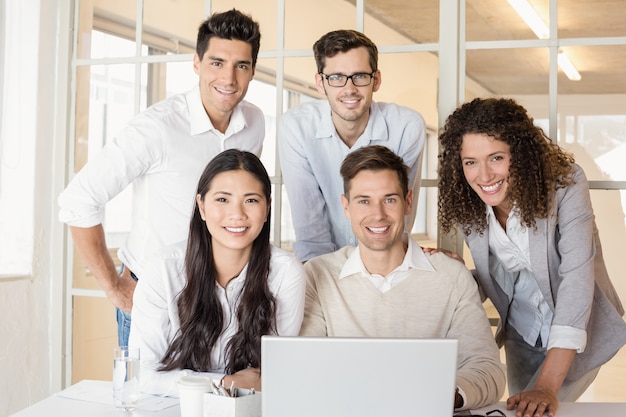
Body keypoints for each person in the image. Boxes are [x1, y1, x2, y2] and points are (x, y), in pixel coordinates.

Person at [58, 9, 265, 346]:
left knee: (211, 395)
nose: (228, 78)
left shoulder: (255, 122)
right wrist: (115, 288)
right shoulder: (156, 128)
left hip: (222, 295)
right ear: (196, 63)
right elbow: (77, 201)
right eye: (216, 62)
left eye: (241, 65)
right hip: (154, 295)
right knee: (144, 398)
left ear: (253, 70)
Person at [437, 97, 626, 417]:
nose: (483, 175)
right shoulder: (470, 202)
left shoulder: (565, 183)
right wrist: (446, 271)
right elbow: (494, 272)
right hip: (520, 328)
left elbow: (577, 276)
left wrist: (547, 385)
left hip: (574, 322)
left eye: (496, 157)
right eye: (470, 162)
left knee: (545, 404)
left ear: (521, 155)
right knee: (519, 408)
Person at [299, 145, 506, 411]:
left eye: (389, 199)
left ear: (408, 201)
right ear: (346, 207)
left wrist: (436, 395)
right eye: (364, 201)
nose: (378, 214)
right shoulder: (318, 275)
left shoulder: (451, 276)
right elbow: (305, 364)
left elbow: (488, 370)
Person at [128, 149, 306, 396]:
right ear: (201, 206)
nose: (237, 214)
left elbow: (274, 372)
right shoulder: (163, 268)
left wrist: (184, 382)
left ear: (267, 208)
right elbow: (142, 374)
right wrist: (224, 382)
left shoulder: (286, 273)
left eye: (251, 200)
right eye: (222, 199)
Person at [278, 29, 426, 262]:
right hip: (321, 264)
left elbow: (396, 217)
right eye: (336, 77)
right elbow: (311, 232)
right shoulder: (297, 127)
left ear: (375, 80)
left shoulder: (406, 126)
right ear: (320, 82)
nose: (349, 89)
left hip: (386, 261)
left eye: (359, 76)